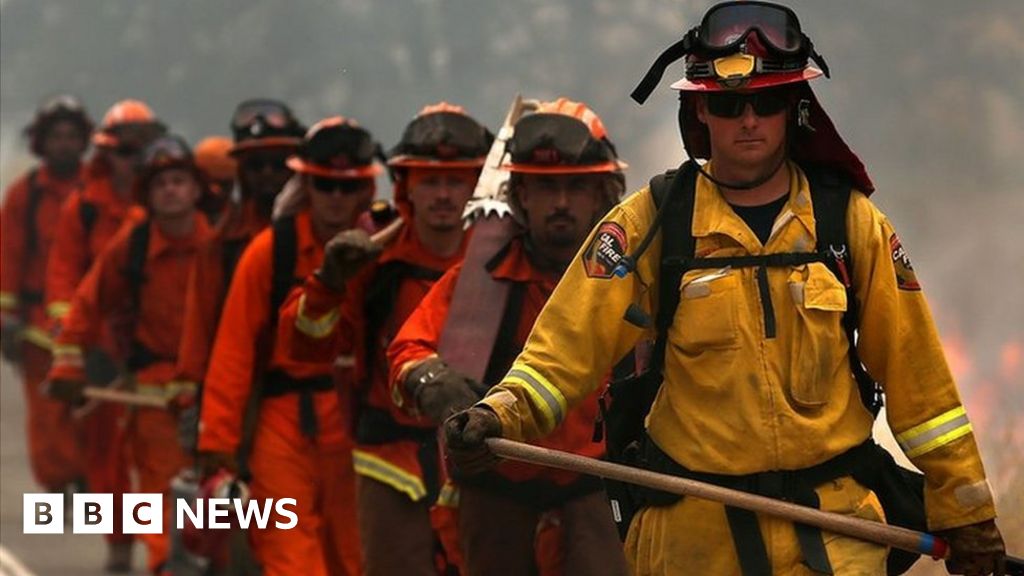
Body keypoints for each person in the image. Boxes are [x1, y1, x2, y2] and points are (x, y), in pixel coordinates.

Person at [444, 2, 1006, 575]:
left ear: (793, 109)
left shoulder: (851, 224)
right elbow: (562, 352)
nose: (749, 120)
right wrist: (499, 415)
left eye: (767, 102)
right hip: (694, 535)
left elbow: (922, 383)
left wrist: (966, 509)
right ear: (699, 111)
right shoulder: (652, 223)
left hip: (834, 528)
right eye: (729, 103)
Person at [387, 98, 629, 576]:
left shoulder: (628, 277)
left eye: (575, 187)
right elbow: (407, 349)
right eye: (544, 188)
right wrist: (433, 381)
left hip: (599, 481)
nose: (560, 204)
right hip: (497, 483)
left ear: (603, 193)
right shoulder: (481, 281)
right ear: (519, 194)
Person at [276, 103, 492, 575]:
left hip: (479, 461)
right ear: (404, 186)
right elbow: (306, 348)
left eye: (456, 181)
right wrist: (328, 283)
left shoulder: (499, 260)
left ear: (479, 184)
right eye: (429, 181)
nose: (442, 195)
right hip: (391, 465)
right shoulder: (372, 257)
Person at [197, 117, 380, 576]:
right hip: (282, 425)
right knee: (289, 556)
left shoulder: (386, 250)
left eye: (346, 187)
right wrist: (217, 449)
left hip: (357, 422)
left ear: (365, 188)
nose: (335, 198)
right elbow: (234, 350)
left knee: (356, 557)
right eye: (323, 186)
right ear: (306, 184)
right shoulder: (270, 251)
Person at [47, 135, 213, 575]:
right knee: (163, 496)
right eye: (160, 184)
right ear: (147, 195)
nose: (171, 191)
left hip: (219, 392)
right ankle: (166, 566)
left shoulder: (222, 244)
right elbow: (86, 304)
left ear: (197, 189)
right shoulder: (132, 246)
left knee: (225, 507)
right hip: (155, 397)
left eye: (179, 181)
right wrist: (68, 363)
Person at [44, 98, 164, 572]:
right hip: (102, 355)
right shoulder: (86, 208)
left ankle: (170, 552)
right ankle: (119, 548)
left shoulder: (172, 204)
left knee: (163, 462)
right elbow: (63, 278)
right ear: (107, 155)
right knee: (108, 459)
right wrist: (70, 341)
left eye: (141, 153)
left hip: (159, 355)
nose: (132, 163)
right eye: (124, 153)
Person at [1, 94, 93, 496]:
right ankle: (59, 487)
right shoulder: (26, 194)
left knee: (93, 412)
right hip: (39, 328)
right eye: (56, 136)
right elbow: (8, 254)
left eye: (71, 136)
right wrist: (5, 315)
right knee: (48, 414)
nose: (64, 144)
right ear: (41, 142)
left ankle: (90, 482)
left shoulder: (98, 191)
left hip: (94, 326)